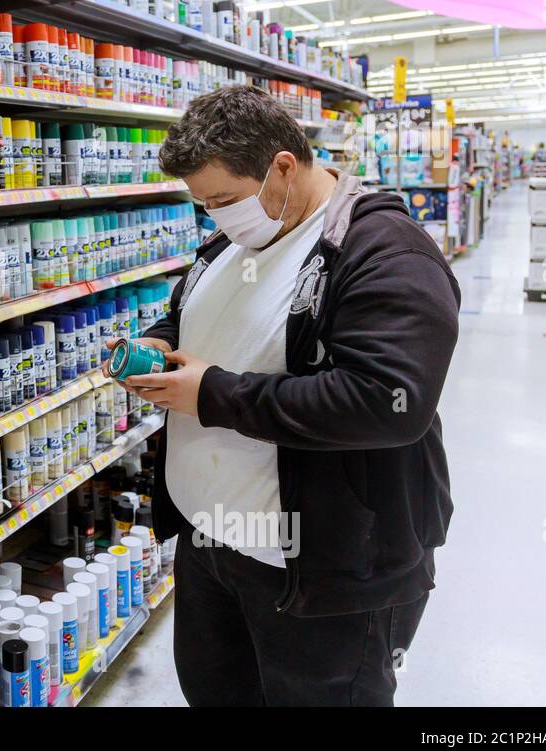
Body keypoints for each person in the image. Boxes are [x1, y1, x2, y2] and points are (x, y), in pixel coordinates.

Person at [107, 85, 459, 706]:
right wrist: (164, 345)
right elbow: (203, 317)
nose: (215, 217)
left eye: (222, 200)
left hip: (321, 571)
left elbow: (386, 400)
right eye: (204, 205)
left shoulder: (384, 250)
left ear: (282, 167)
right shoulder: (235, 240)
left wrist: (214, 394)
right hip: (211, 546)